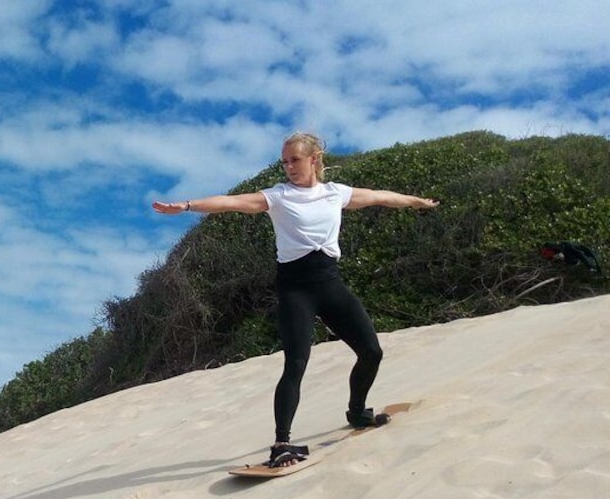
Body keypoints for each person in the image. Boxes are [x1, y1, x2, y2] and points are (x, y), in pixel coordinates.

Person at [152, 132, 439, 467]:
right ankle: (281, 443)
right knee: (296, 364)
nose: (288, 167)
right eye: (284, 161)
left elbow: (379, 197)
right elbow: (233, 202)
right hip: (295, 290)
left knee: (371, 352)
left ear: (314, 159)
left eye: (295, 160)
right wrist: (188, 206)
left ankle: (357, 411)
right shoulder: (279, 196)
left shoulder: (335, 193)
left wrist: (416, 201)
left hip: (330, 284)